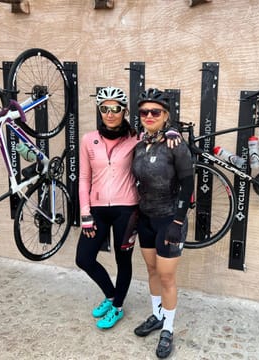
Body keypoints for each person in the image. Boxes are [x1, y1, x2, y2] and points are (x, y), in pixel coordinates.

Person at [132, 88, 194, 358]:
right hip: (145, 217)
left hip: (170, 219)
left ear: (165, 115)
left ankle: (168, 328)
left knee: (167, 276)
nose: (148, 116)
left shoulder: (175, 144)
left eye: (155, 112)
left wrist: (178, 220)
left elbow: (188, 183)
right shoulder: (139, 144)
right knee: (152, 270)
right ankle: (157, 315)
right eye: (144, 112)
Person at [75, 86, 139, 330]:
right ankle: (111, 296)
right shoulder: (88, 139)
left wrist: (173, 132)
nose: (110, 114)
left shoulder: (136, 138)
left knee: (124, 261)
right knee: (84, 258)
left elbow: (159, 135)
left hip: (127, 209)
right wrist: (85, 213)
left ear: (124, 111)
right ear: (99, 110)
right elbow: (83, 178)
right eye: (105, 108)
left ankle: (118, 307)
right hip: (97, 209)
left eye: (115, 108)